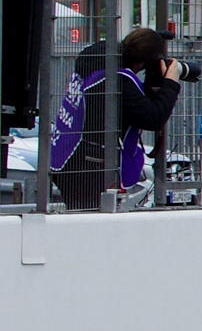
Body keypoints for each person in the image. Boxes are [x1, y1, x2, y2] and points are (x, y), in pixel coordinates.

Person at [52, 28, 182, 210]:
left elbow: (127, 105)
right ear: (142, 63)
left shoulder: (99, 59)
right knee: (90, 221)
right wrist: (171, 83)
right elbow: (153, 118)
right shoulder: (116, 80)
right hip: (89, 166)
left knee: (83, 217)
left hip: (67, 154)